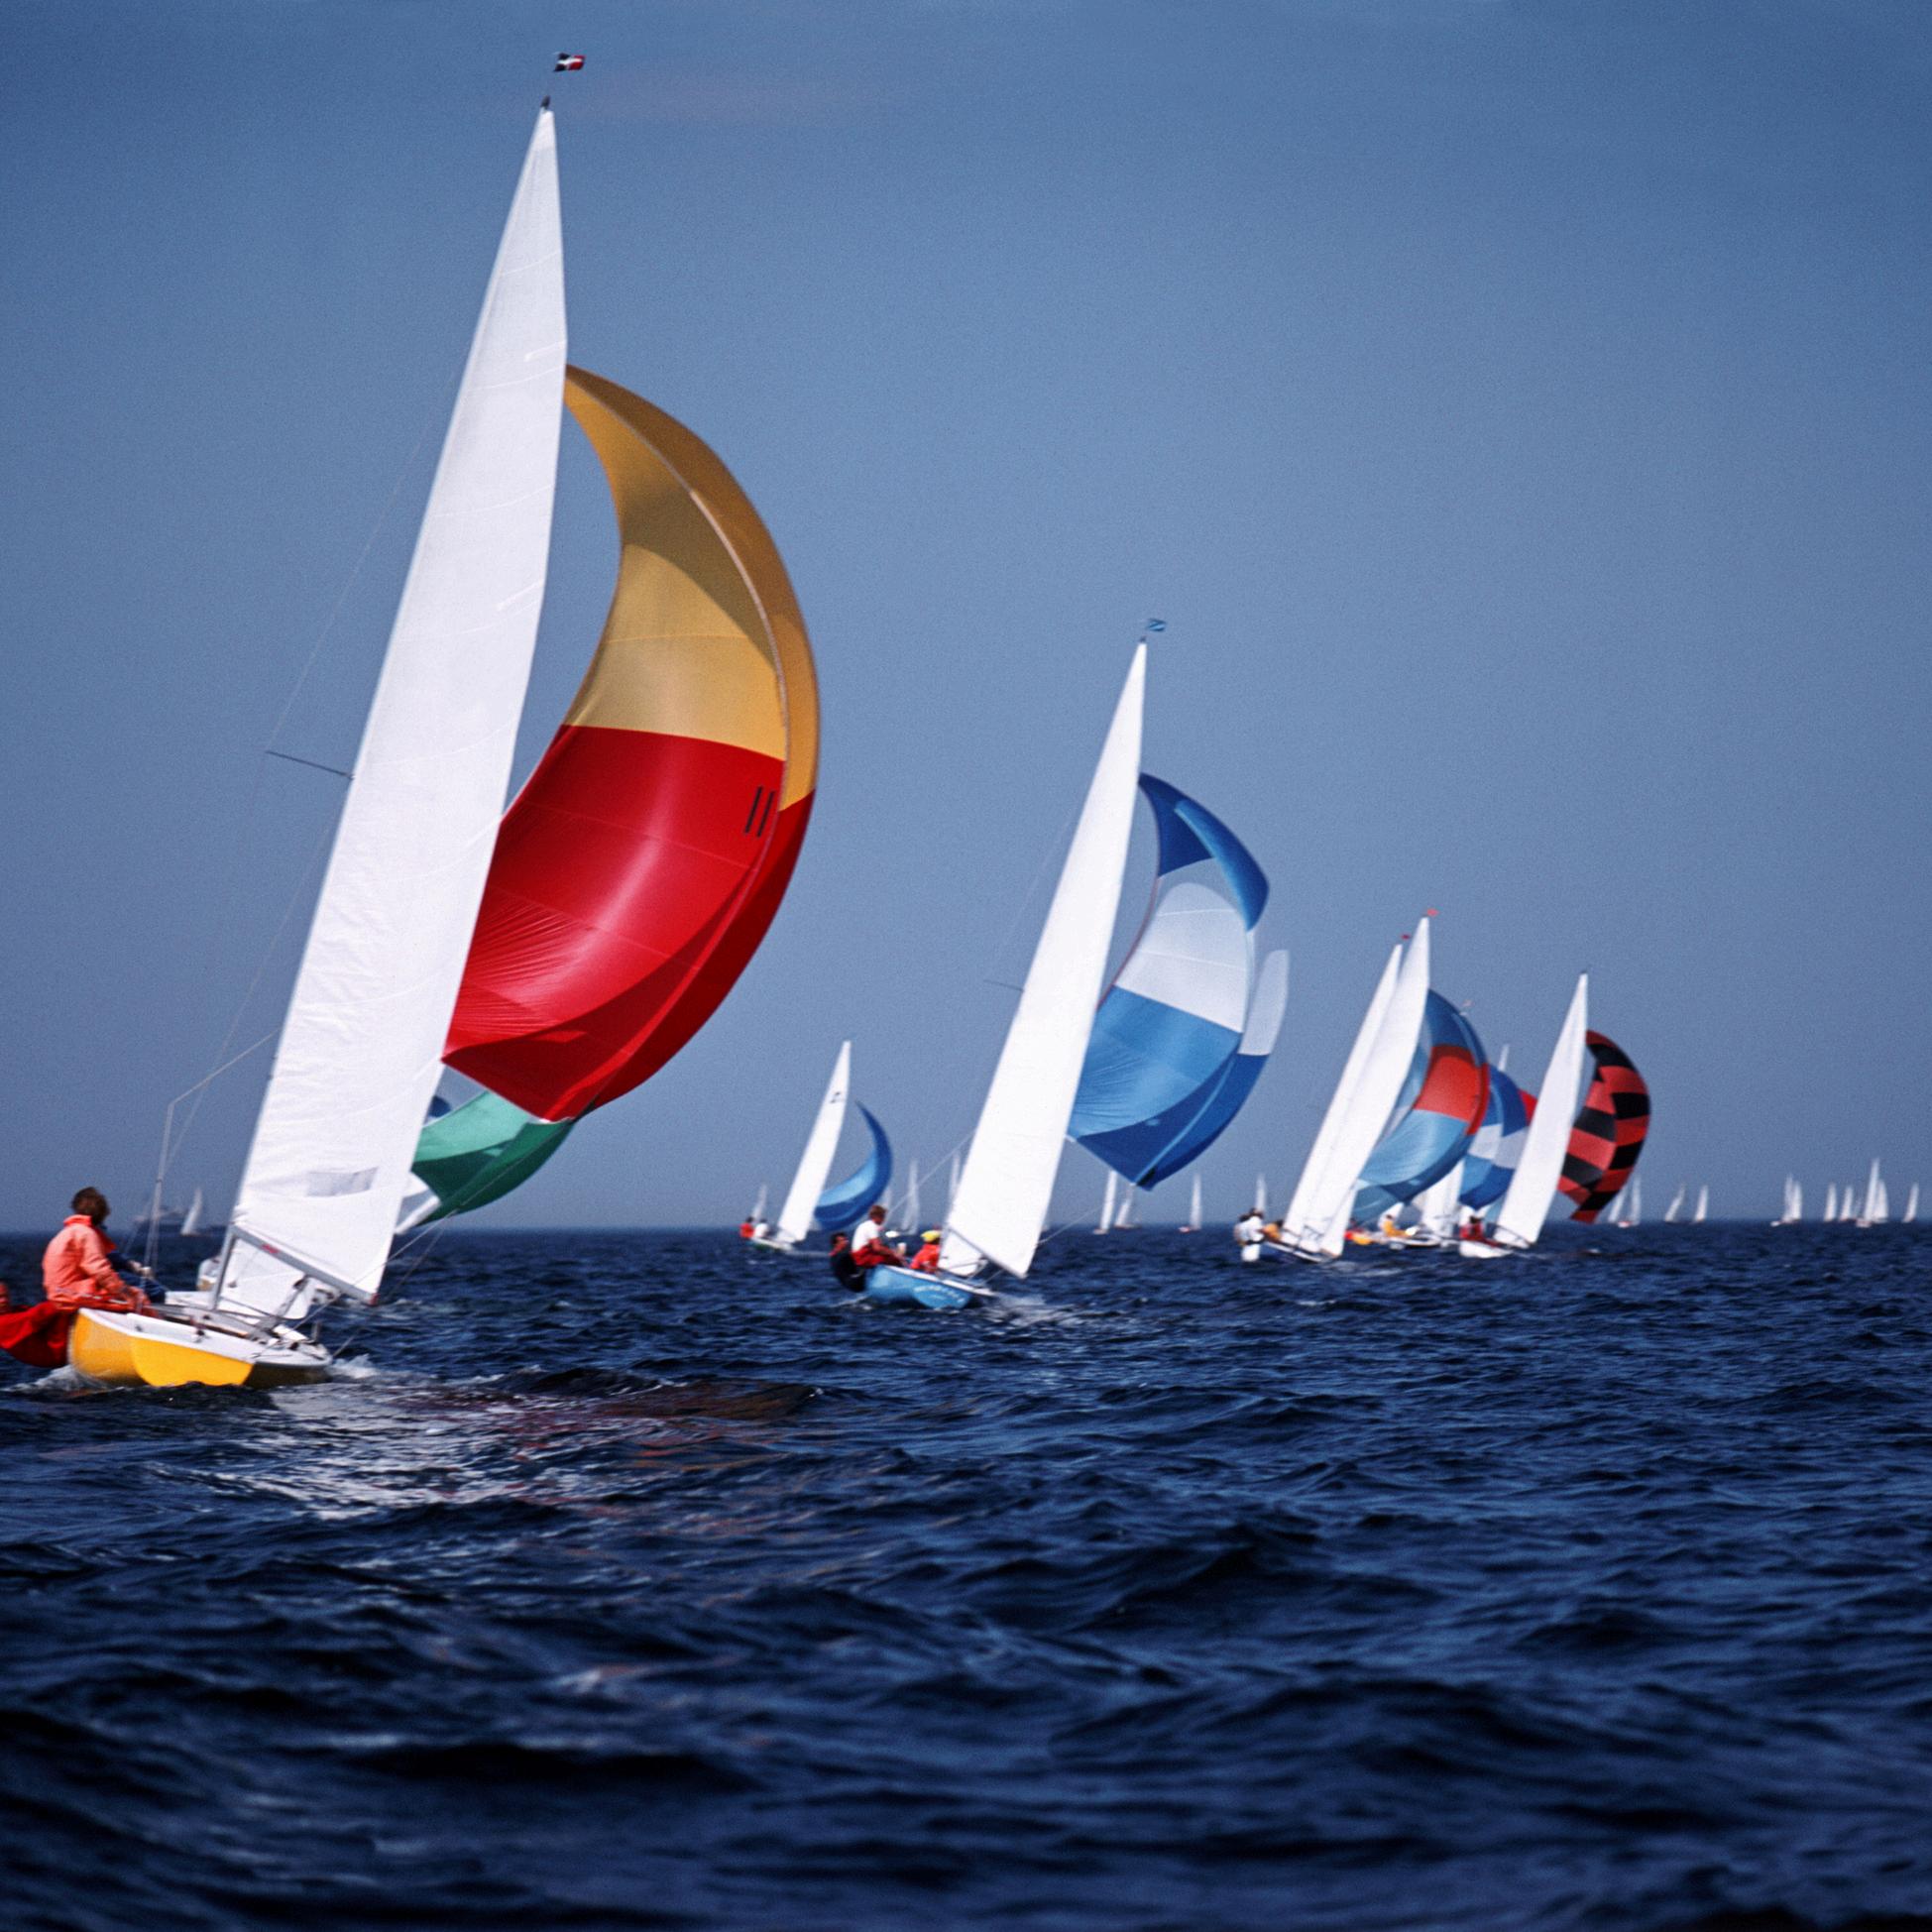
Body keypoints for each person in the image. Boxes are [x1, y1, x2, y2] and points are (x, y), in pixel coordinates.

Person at [43, 1189, 154, 1314]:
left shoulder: (67, 1232)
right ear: (102, 1214)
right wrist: (125, 1292)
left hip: (58, 1293)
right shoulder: (86, 1234)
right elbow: (100, 1271)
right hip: (70, 1295)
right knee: (139, 1298)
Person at [850, 1204, 903, 1271]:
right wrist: (894, 1253)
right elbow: (877, 1248)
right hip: (862, 1258)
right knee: (894, 1260)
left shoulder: (865, 1225)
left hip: (858, 1256)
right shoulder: (872, 1226)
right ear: (876, 1216)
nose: (884, 1219)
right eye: (882, 1216)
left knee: (888, 1255)